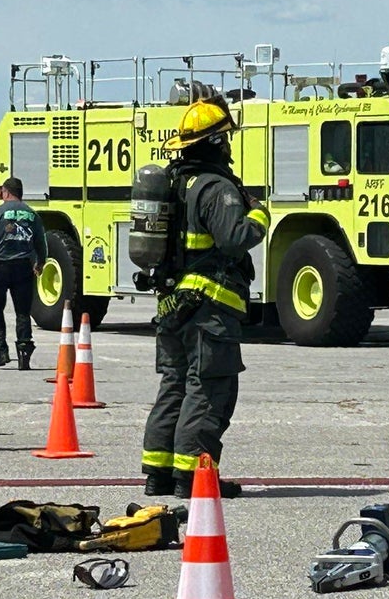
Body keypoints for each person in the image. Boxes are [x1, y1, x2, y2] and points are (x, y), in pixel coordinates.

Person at [141, 95, 269, 499]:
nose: (229, 146)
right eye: (225, 139)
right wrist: (260, 215)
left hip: (173, 303)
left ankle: (158, 474)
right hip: (209, 308)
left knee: (174, 384)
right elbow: (234, 239)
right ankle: (194, 476)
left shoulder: (175, 182)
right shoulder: (216, 188)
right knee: (209, 386)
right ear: (214, 144)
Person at [0, 177, 46, 370]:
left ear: (5, 192)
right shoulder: (32, 214)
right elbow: (40, 242)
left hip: (1, 267)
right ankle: (24, 353)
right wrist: (40, 262)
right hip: (23, 267)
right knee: (23, 311)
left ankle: (0, 351)